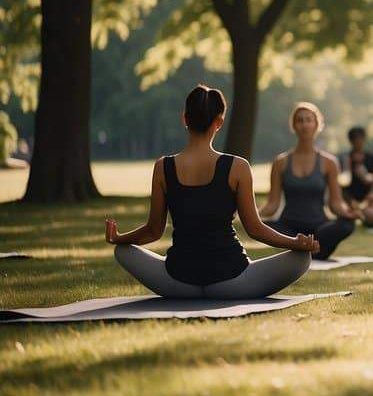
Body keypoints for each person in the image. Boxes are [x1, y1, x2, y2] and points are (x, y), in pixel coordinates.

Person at [106, 85, 317, 298]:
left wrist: (119, 239)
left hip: (178, 282)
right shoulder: (238, 166)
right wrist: (295, 243)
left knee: (122, 251)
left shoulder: (163, 167)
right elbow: (255, 229)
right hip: (233, 281)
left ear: (185, 118)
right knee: (302, 258)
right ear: (219, 122)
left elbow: (153, 231)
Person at [258, 102, 360, 260]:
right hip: (288, 228)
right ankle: (306, 249)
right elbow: (273, 204)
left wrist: (348, 213)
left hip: (319, 228)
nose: (304, 124)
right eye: (300, 120)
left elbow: (336, 204)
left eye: (308, 120)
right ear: (294, 126)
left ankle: (303, 250)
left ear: (316, 125)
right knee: (265, 227)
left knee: (347, 225)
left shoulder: (329, 162)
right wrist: (252, 214)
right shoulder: (281, 162)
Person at [340, 126, 373, 206]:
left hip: (369, 201)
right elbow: (341, 184)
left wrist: (366, 176)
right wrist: (351, 203)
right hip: (349, 202)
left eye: (360, 138)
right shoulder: (344, 159)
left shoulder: (372, 159)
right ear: (350, 141)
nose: (358, 142)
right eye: (355, 139)